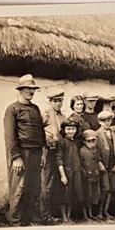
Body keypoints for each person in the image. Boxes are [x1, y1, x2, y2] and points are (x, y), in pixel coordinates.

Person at [3, 74, 46, 226]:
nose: (31, 92)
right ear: (20, 90)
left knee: (34, 187)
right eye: (27, 89)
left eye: (33, 89)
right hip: (21, 153)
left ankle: (33, 219)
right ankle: (15, 221)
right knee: (19, 188)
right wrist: (16, 157)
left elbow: (40, 131)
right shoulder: (12, 109)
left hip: (36, 153)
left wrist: (42, 153)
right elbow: (10, 136)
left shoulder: (35, 108)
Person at [41, 90, 65, 222]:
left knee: (56, 183)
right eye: (55, 101)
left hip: (59, 151)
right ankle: (44, 215)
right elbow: (38, 130)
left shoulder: (63, 116)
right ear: (50, 102)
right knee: (47, 183)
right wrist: (47, 139)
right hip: (48, 151)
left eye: (60, 100)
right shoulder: (45, 114)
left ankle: (54, 213)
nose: (58, 103)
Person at [55, 119, 84, 223]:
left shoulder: (77, 142)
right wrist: (63, 175)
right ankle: (64, 217)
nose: (71, 131)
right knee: (64, 195)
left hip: (76, 172)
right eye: (68, 129)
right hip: (66, 172)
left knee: (73, 194)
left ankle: (69, 215)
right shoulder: (61, 142)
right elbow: (59, 159)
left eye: (73, 129)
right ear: (64, 130)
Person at [95, 111, 115, 221]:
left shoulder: (114, 133)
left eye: (109, 120)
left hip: (113, 165)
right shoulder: (97, 134)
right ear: (100, 122)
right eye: (105, 121)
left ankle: (106, 211)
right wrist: (99, 163)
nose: (107, 123)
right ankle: (99, 213)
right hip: (103, 166)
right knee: (105, 189)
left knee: (111, 190)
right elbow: (95, 151)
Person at [79, 130, 104, 220]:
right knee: (86, 196)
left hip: (95, 176)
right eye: (88, 141)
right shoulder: (82, 151)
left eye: (93, 141)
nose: (91, 143)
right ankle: (86, 215)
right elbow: (79, 164)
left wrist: (100, 168)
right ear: (84, 141)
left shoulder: (95, 150)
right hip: (86, 177)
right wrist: (84, 172)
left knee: (95, 195)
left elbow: (97, 160)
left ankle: (91, 213)